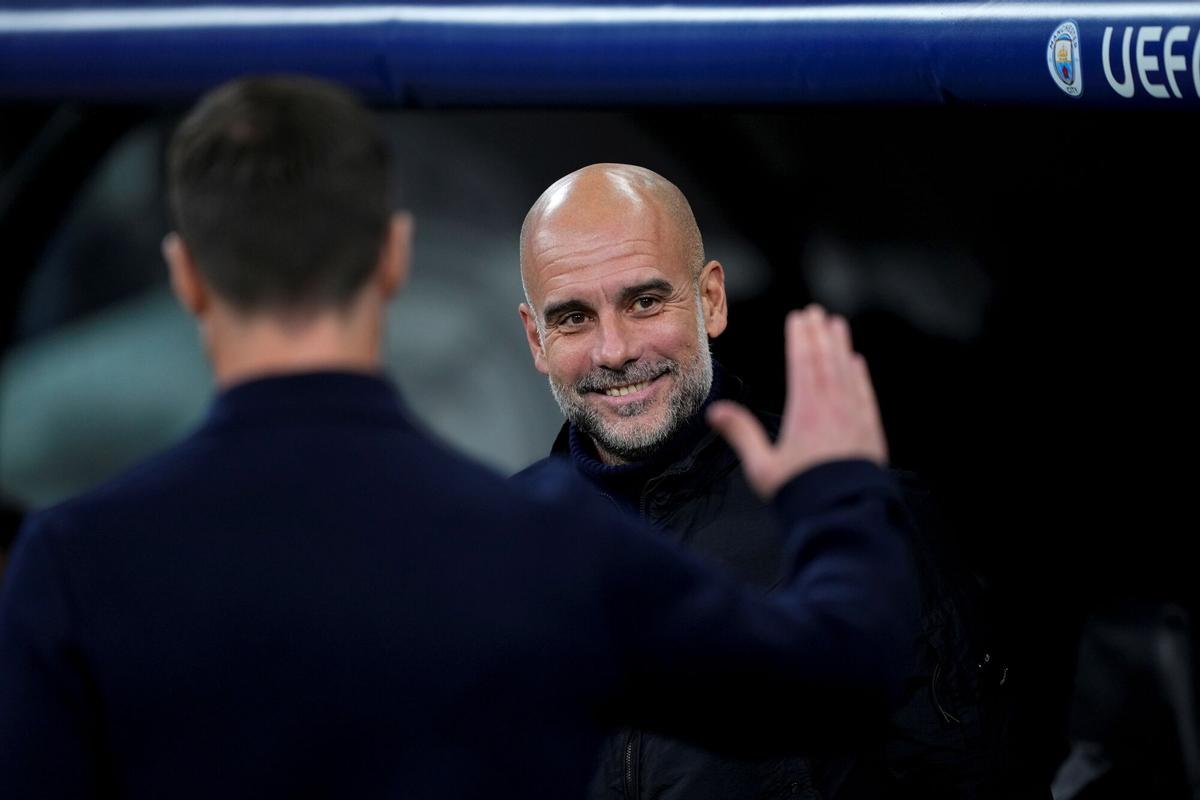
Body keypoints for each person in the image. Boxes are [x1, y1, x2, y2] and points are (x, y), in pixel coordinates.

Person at [0, 77, 916, 798]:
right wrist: (835, 491)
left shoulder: (71, 567)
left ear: (186, 275)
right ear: (394, 257)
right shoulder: (545, 544)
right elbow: (843, 673)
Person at [515, 163, 1039, 798]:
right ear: (536, 339)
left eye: (645, 301)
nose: (615, 350)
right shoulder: (487, 547)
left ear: (710, 300)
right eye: (573, 317)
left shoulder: (864, 521)